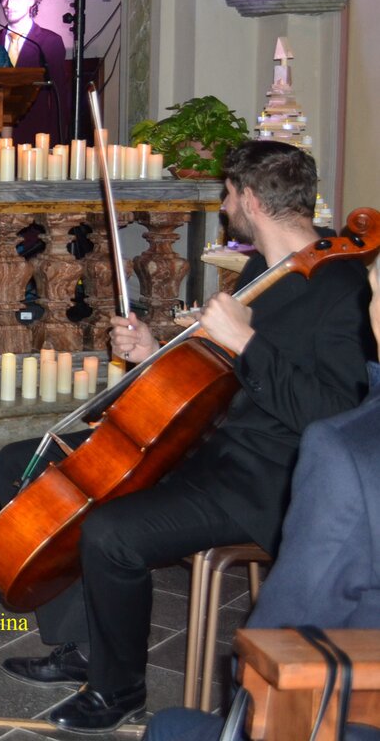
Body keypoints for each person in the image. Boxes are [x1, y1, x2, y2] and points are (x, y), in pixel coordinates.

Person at [0, 141, 372, 732]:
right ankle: (85, 644)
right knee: (23, 466)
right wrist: (151, 351)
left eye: (229, 194)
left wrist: (247, 342)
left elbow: (338, 414)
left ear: (251, 199)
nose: (225, 206)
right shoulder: (262, 269)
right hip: (207, 447)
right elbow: (212, 372)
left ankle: (118, 691)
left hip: (268, 479)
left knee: (112, 532)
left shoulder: (341, 288)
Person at [143, 259, 380, 741]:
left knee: (169, 726)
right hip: (225, 463)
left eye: (373, 297)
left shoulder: (348, 448)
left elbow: (285, 631)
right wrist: (158, 353)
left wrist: (243, 686)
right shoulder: (259, 272)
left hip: (353, 703)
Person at [0, 0, 66, 141]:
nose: (9, 4)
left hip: (35, 136)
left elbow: (59, 97)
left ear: (32, 0)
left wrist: (56, 141)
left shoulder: (49, 42)